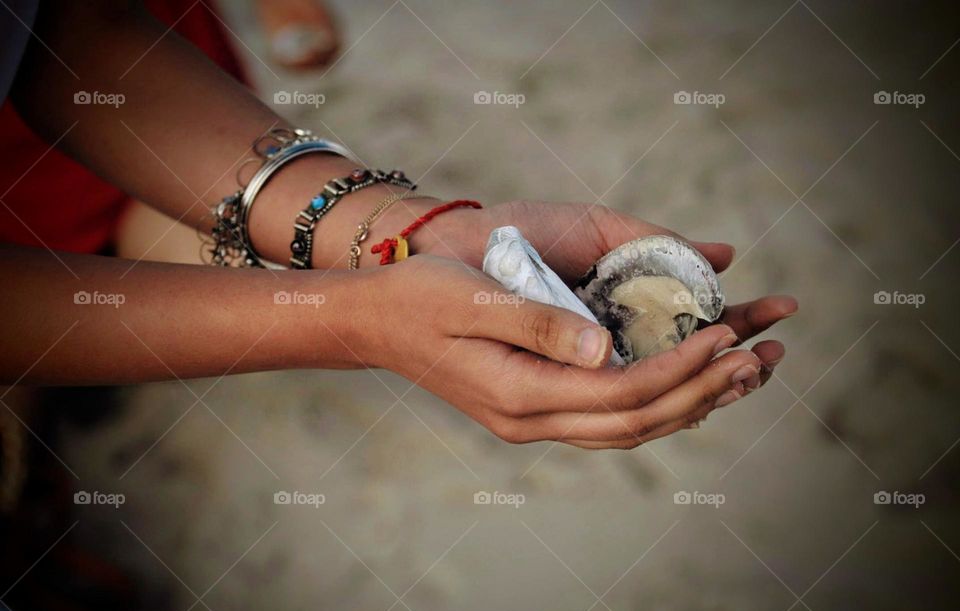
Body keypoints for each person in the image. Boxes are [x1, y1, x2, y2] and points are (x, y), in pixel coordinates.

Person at [1, 0, 796, 452]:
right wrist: (359, 320)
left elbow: (60, 29)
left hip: (155, 128)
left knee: (181, 247)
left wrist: (409, 232)